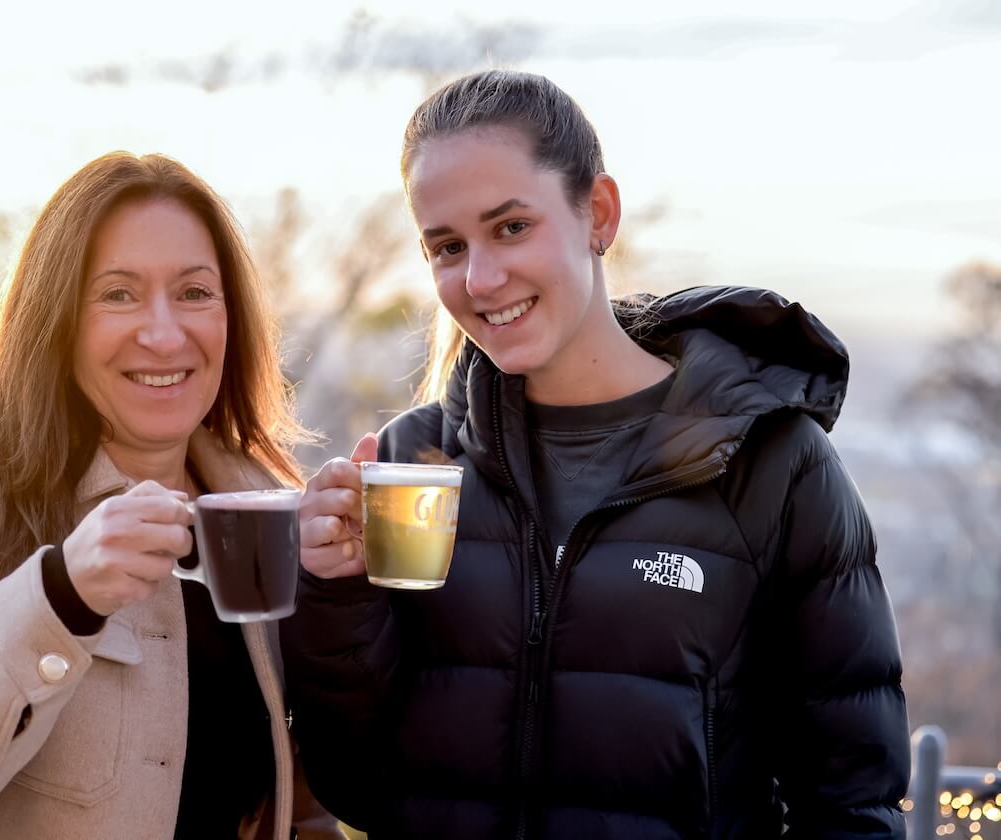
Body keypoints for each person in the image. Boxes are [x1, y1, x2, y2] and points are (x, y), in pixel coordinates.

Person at [283, 70, 910, 839]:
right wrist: (336, 594)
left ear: (598, 214)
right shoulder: (415, 464)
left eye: (511, 227)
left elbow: (851, 806)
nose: (480, 279)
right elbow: (355, 784)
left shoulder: (773, 465)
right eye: (447, 247)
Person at [0, 152, 340, 840]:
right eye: (118, 294)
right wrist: (60, 597)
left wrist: (351, 597)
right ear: (57, 318)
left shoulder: (262, 506)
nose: (163, 334)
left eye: (194, 293)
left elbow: (297, 807)